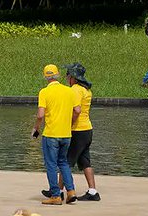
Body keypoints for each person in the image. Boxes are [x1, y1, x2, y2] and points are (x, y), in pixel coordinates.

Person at [34, 64, 80, 205]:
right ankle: (71, 191)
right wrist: (69, 123)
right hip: (66, 134)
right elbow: (77, 110)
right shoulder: (70, 91)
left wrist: (36, 128)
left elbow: (41, 115)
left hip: (51, 134)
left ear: (45, 77)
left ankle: (55, 195)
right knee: (63, 163)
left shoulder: (44, 92)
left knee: (51, 165)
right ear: (58, 75)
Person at [65, 63, 99, 201]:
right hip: (87, 130)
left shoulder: (75, 90)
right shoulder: (86, 90)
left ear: (73, 77)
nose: (66, 78)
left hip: (78, 130)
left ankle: (56, 191)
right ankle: (92, 191)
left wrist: (68, 124)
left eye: (67, 75)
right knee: (85, 162)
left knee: (66, 162)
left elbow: (76, 110)